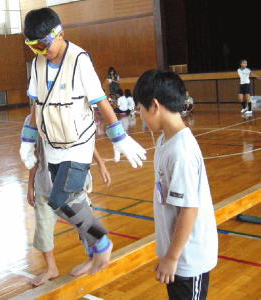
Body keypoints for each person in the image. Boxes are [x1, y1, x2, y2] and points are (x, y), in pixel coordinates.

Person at [20, 8, 146, 276]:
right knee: (72, 203)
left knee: (61, 199)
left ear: (60, 33)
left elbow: (100, 102)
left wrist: (119, 137)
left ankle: (101, 242)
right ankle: (93, 253)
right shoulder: (38, 65)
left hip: (78, 145)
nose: (41, 52)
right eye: (33, 47)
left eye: (44, 44)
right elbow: (35, 107)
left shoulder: (79, 61)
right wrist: (27, 141)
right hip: (52, 146)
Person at [133, 70, 218, 300]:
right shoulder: (164, 141)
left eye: (140, 108)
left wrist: (171, 257)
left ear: (154, 105)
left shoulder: (181, 151)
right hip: (177, 254)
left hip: (189, 257)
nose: (139, 115)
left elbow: (189, 209)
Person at [24, 115, 111, 286]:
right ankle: (51, 268)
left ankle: (93, 257)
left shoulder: (67, 109)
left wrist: (101, 164)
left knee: (84, 223)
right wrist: (30, 186)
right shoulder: (31, 121)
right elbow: (32, 155)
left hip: (71, 183)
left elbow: (85, 142)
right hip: (44, 185)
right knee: (43, 228)